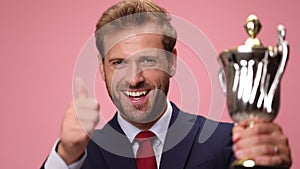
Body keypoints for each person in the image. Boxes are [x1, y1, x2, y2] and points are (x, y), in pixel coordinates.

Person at [41, 0, 292, 168]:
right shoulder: (76, 159)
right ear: (102, 69)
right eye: (119, 63)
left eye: (148, 60)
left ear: (172, 62)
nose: (134, 78)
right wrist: (65, 155)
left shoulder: (229, 143)